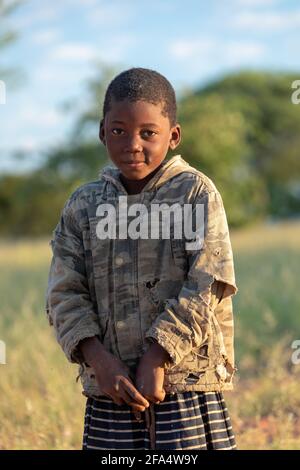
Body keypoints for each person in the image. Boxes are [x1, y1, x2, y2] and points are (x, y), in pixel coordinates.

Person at [46, 67, 238, 450]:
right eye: (119, 130)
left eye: (148, 133)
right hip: (111, 386)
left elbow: (208, 283)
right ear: (102, 132)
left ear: (173, 135)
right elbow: (63, 292)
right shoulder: (85, 204)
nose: (133, 143)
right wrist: (98, 359)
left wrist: (158, 355)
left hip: (184, 381)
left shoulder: (195, 193)